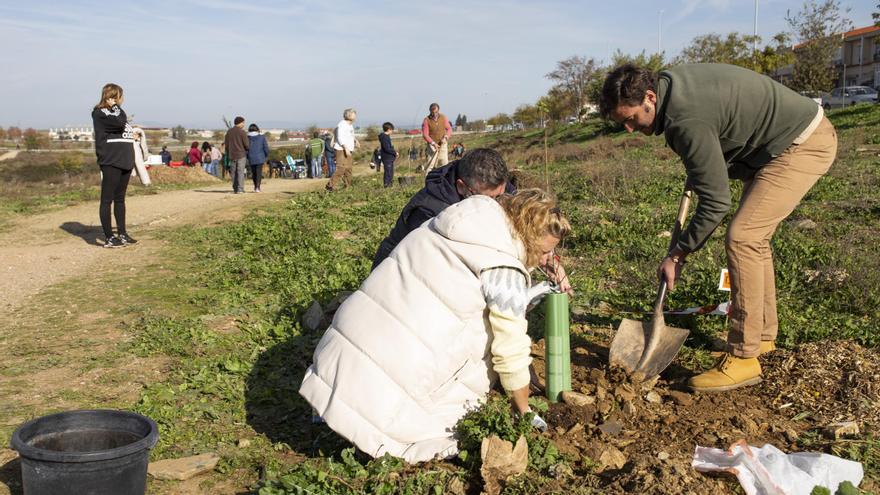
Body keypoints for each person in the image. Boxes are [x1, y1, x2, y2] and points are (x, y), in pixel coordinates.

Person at [600, 63, 838, 392]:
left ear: (650, 98)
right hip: (780, 142)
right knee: (754, 239)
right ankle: (763, 340)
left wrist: (679, 253)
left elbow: (715, 202)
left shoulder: (685, 120)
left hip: (801, 144)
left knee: (744, 238)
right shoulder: (672, 90)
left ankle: (744, 356)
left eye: (630, 118)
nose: (628, 128)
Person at [300, 189, 570, 463]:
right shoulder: (505, 270)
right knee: (445, 420)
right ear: (528, 236)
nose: (547, 258)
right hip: (387, 377)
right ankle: (366, 428)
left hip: (341, 350)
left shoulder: (461, 221)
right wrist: (523, 409)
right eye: (545, 251)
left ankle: (332, 409)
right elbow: (510, 349)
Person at [91, 82, 137, 248]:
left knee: (120, 199)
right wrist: (116, 108)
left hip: (125, 159)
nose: (122, 99)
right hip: (111, 160)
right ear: (113, 97)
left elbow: (122, 125)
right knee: (107, 199)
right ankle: (109, 237)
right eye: (120, 96)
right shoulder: (99, 112)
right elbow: (118, 123)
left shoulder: (118, 112)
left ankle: (122, 233)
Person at [326, 108, 358, 191]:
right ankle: (330, 186)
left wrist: (355, 140)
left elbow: (351, 135)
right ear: (349, 115)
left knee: (348, 169)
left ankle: (347, 187)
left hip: (348, 149)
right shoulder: (342, 124)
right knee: (341, 168)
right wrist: (345, 148)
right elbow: (340, 138)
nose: (355, 115)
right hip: (341, 149)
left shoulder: (350, 125)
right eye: (354, 114)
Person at [421, 102, 452, 174]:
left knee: (444, 164)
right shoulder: (426, 120)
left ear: (439, 110)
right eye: (433, 112)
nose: (435, 114)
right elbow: (425, 135)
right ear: (430, 111)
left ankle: (444, 181)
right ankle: (428, 182)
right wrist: (433, 143)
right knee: (430, 165)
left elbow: (449, 129)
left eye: (436, 112)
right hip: (432, 146)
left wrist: (446, 137)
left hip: (443, 144)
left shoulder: (443, 117)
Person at [224, 116, 249, 193]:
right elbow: (247, 145)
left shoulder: (229, 132)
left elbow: (226, 144)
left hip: (232, 155)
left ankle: (235, 188)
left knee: (233, 172)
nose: (244, 124)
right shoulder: (242, 132)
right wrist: (247, 149)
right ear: (239, 123)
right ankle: (240, 189)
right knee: (240, 172)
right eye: (243, 123)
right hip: (241, 155)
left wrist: (229, 152)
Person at [247, 123, 270, 193]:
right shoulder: (262, 137)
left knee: (254, 173)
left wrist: (247, 156)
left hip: (251, 157)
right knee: (258, 173)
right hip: (260, 157)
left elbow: (245, 149)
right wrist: (266, 155)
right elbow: (265, 147)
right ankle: (258, 187)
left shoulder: (247, 138)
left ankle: (255, 186)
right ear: (257, 129)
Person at [378, 122, 398, 188]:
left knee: (391, 172)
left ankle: (390, 185)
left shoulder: (387, 137)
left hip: (390, 158)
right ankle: (386, 185)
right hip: (387, 158)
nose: (392, 131)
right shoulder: (384, 137)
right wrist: (395, 152)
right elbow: (387, 148)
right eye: (392, 130)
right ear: (389, 129)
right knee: (388, 172)